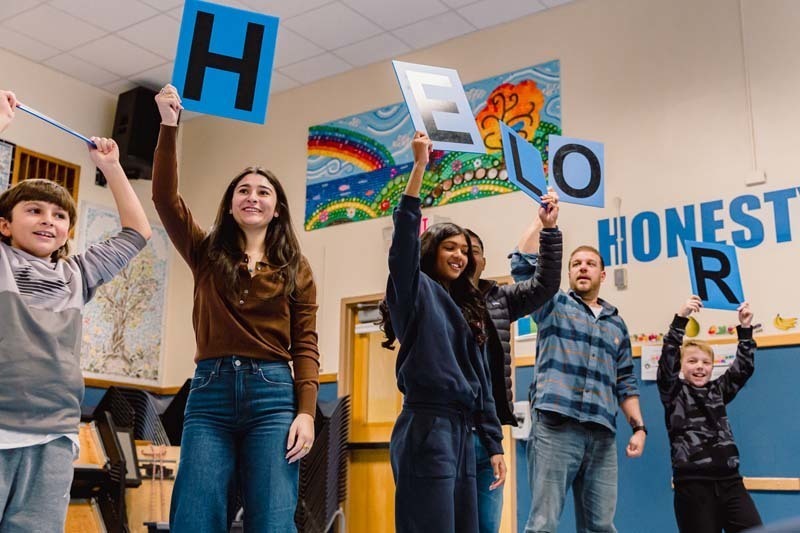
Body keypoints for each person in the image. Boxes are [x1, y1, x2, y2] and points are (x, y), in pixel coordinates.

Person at [153, 85, 318, 532]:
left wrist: (306, 411)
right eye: (243, 190)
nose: (252, 197)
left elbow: (305, 344)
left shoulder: (296, 267)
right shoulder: (206, 253)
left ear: (277, 209)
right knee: (194, 516)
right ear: (230, 205)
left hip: (273, 396)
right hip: (210, 394)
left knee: (273, 518)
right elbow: (165, 199)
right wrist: (169, 125)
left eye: (263, 192)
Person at [0, 88, 151, 532]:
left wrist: (112, 168)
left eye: (59, 215)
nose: (48, 219)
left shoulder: (77, 275)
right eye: (34, 210)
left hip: (55, 433)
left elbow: (137, 232)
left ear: (67, 231)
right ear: (5, 225)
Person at [380, 131, 505, 532]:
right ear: (432, 250)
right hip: (426, 426)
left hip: (463, 432)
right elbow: (403, 244)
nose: (459, 255)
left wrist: (494, 443)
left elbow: (482, 385)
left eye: (465, 251)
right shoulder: (414, 290)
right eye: (450, 247)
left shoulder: (469, 309)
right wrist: (419, 166)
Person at [513, 242, 645, 533]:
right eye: (576, 264)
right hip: (555, 428)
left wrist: (639, 428)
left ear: (602, 275)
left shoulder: (617, 324)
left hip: (602, 435)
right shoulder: (553, 305)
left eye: (590, 264)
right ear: (569, 272)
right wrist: (541, 222)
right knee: (543, 523)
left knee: (601, 526)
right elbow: (522, 267)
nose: (583, 268)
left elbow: (625, 380)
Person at [465, 191, 563, 533]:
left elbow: (545, 284)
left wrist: (548, 230)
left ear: (483, 260)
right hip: (447, 432)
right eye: (458, 249)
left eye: (473, 250)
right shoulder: (435, 299)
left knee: (487, 526)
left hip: (488, 435)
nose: (466, 256)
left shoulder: (499, 299)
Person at [658, 295, 762, 532]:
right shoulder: (673, 392)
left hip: (730, 481)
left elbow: (743, 368)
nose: (699, 366)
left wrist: (745, 328)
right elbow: (667, 362)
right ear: (682, 366)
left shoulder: (718, 390)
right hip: (693, 486)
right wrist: (681, 319)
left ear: (712, 367)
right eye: (692, 361)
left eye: (706, 362)